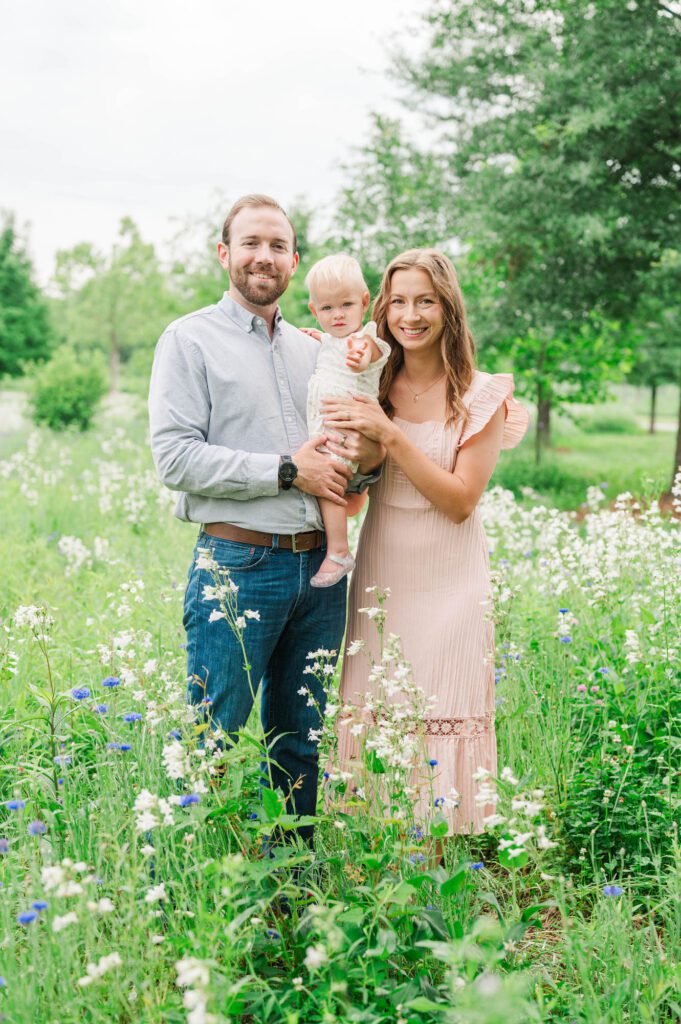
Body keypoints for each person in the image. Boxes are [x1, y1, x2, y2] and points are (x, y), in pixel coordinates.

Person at [148, 194, 382, 841]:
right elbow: (174, 457)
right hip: (238, 564)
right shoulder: (189, 339)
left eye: (278, 245)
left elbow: (346, 458)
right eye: (251, 242)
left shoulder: (319, 351)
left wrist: (362, 464)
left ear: (293, 261)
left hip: (320, 570)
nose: (264, 256)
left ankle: (292, 891)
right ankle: (196, 887)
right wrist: (285, 469)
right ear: (225, 253)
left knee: (300, 744)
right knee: (211, 742)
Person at [322, 249, 529, 834]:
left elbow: (461, 500)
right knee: (375, 711)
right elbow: (358, 485)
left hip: (452, 578)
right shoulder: (372, 381)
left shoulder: (478, 395)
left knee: (439, 707)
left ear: (448, 309)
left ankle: (433, 857)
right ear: (383, 310)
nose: (410, 315)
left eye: (426, 301)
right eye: (399, 302)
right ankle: (376, 867)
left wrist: (389, 435)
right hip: (384, 568)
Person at [302, 254, 391, 588]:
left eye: (346, 305)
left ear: (364, 303)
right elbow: (330, 345)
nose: (337, 315)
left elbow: (366, 353)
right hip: (330, 429)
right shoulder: (330, 340)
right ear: (314, 310)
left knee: (327, 482)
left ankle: (338, 550)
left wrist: (359, 356)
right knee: (328, 483)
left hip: (349, 429)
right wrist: (318, 338)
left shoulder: (366, 339)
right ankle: (335, 544)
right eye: (327, 309)